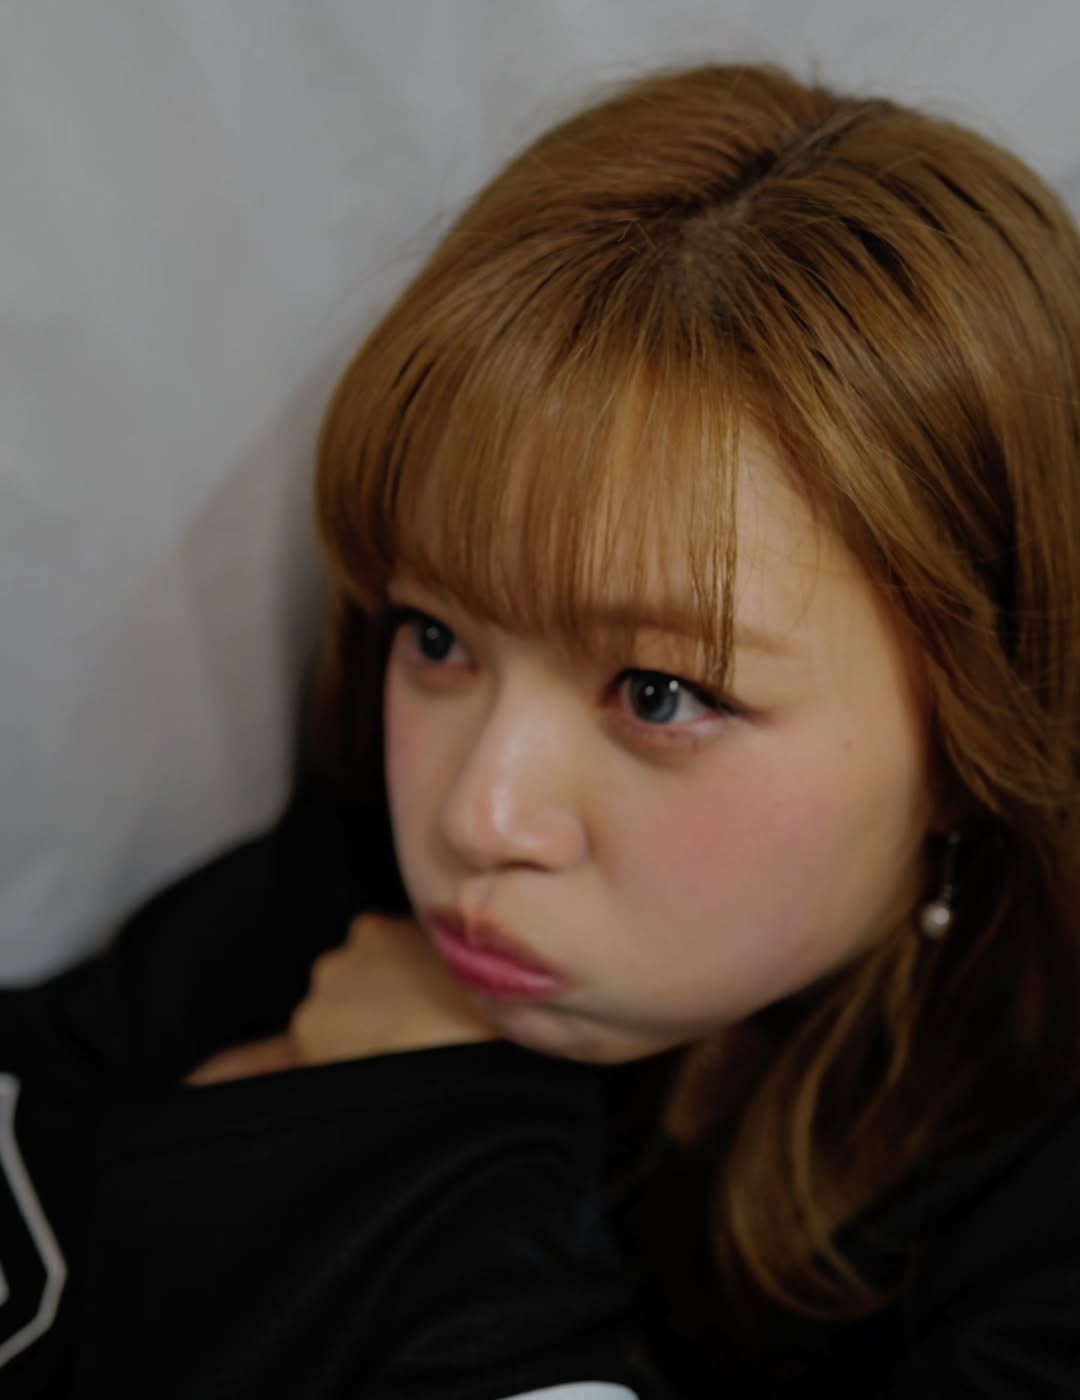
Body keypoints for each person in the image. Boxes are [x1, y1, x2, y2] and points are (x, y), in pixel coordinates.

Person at [2, 58, 1079, 1398]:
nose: (476, 815)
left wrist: (419, 1153)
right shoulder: (344, 892)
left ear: (982, 728)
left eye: (660, 694)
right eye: (437, 636)